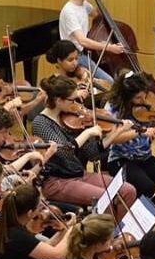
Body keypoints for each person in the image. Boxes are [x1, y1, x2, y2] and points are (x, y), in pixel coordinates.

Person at [32, 74, 136, 213]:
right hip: (57, 181)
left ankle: (116, 231)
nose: (77, 104)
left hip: (79, 174)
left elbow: (92, 154)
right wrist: (87, 133)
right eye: (73, 100)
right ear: (58, 100)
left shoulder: (72, 119)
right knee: (107, 200)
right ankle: (107, 233)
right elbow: (63, 150)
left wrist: (116, 132)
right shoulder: (41, 122)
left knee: (128, 191)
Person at [103, 71, 155, 208]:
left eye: (145, 95)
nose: (144, 101)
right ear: (127, 97)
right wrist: (140, 132)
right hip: (121, 159)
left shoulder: (147, 105)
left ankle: (146, 211)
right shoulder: (112, 108)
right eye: (139, 98)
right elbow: (111, 139)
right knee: (147, 187)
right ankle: (133, 216)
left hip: (145, 157)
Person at [59, 0, 118, 83]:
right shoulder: (69, 11)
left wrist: (99, 0)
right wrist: (109, 47)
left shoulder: (83, 4)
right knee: (110, 81)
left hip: (84, 53)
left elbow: (96, 14)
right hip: (76, 57)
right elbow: (82, 41)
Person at [0, 105, 52, 180]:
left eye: (8, 132)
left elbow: (29, 176)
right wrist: (28, 156)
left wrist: (38, 161)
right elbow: (5, 173)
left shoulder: (0, 144)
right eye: (3, 132)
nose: (7, 136)